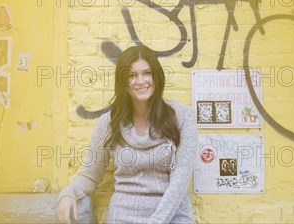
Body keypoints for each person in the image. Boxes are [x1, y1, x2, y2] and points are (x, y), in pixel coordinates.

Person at [57, 45, 197, 224]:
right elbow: (89, 175)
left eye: (147, 73)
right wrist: (68, 193)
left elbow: (179, 183)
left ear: (157, 76)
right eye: (131, 75)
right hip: (122, 217)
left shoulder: (183, 117)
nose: (140, 81)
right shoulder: (109, 122)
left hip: (172, 216)